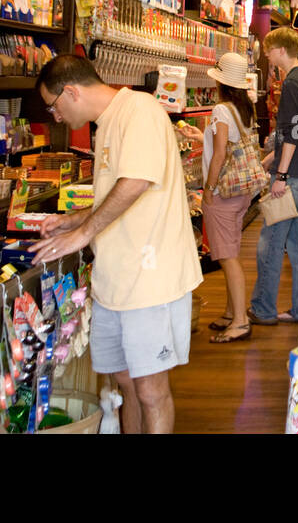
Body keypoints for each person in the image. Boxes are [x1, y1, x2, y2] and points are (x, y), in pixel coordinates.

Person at [31, 55, 201, 434]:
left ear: (71, 92)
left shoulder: (139, 110)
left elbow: (137, 181)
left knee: (151, 391)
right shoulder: (107, 122)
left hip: (150, 278)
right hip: (117, 279)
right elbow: (118, 192)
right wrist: (73, 220)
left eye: (53, 106)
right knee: (126, 383)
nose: (55, 116)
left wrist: (83, 233)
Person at [249, 27, 298, 326]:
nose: (266, 55)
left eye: (268, 50)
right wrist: (275, 158)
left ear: (280, 49)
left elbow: (292, 132)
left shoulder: (292, 82)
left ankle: (263, 308)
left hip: (291, 177)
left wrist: (281, 173)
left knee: (271, 241)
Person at [202, 52, 259, 344]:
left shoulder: (222, 110)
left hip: (224, 192)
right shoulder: (244, 108)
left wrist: (208, 190)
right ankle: (230, 311)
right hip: (243, 190)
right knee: (231, 253)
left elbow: (220, 153)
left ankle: (239, 321)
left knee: (227, 257)